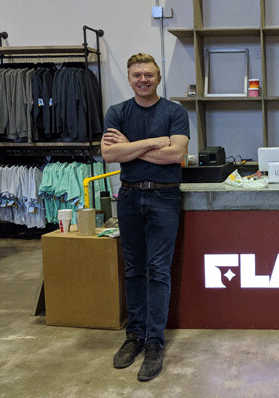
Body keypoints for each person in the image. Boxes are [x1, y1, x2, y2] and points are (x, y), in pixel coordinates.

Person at [101, 53, 190, 381]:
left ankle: (154, 342)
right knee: (134, 270)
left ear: (158, 78)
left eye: (149, 75)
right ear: (129, 79)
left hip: (164, 197)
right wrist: (154, 142)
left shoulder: (175, 112)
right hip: (128, 196)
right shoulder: (118, 112)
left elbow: (176, 154)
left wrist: (132, 147)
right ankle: (134, 337)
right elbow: (110, 153)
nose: (143, 79)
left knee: (158, 271)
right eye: (137, 74)